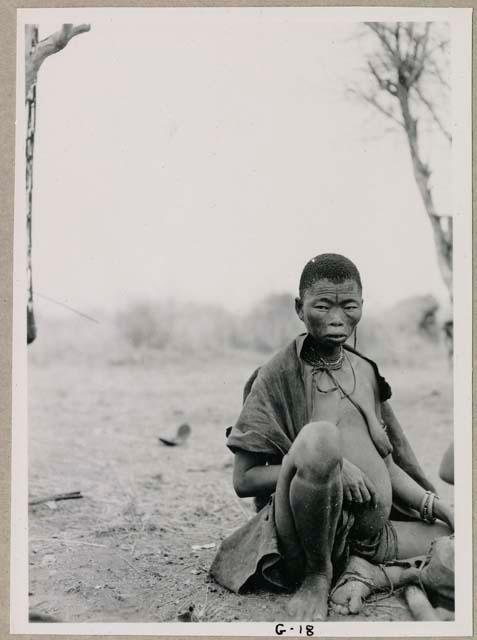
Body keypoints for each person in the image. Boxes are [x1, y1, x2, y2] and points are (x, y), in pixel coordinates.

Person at [210, 253, 454, 620]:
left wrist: (442, 508)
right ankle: (318, 579)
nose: (338, 318)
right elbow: (244, 480)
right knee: (320, 438)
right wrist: (333, 466)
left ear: (362, 307)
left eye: (349, 306)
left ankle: (369, 572)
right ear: (299, 308)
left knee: (461, 544)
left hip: (376, 539)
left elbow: (387, 466)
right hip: (308, 541)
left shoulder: (365, 371)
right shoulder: (277, 375)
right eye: (322, 306)